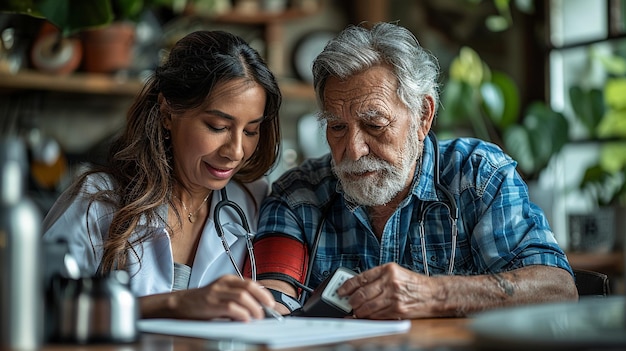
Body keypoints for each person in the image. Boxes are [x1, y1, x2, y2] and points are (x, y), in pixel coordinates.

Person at [248, 22, 578, 319]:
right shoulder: (298, 195)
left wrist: (433, 293)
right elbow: (272, 301)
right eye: (337, 127)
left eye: (374, 124)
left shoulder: (477, 176)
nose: (353, 149)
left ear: (423, 116)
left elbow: (558, 289)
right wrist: (268, 305)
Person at [42, 30, 282, 321]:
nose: (235, 151)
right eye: (218, 126)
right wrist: (170, 304)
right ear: (168, 113)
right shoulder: (97, 201)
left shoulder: (253, 202)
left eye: (251, 131)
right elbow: (35, 307)